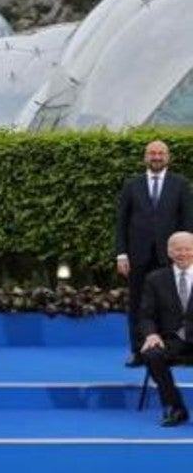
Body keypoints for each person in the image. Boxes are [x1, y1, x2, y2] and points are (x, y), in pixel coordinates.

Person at [117, 140, 193, 367]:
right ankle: (138, 351)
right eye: (152, 153)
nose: (156, 157)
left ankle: (173, 350)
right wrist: (121, 254)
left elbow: (187, 220)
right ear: (145, 157)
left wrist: (188, 252)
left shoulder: (180, 184)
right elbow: (121, 222)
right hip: (138, 256)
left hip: (171, 256)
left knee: (176, 303)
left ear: (167, 157)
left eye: (161, 153)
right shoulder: (132, 185)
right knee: (138, 303)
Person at [139, 231, 193, 427]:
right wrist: (151, 334)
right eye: (178, 249)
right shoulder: (155, 279)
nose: (183, 253)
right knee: (152, 354)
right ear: (169, 252)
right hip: (171, 340)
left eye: (188, 249)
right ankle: (176, 407)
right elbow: (146, 315)